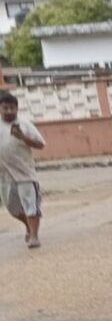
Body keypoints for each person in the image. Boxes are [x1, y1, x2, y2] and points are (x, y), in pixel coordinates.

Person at [0, 90, 46, 248]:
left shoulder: (24, 124)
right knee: (12, 208)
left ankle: (34, 236)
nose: (9, 111)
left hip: (25, 173)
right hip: (4, 175)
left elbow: (40, 144)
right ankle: (28, 225)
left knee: (30, 205)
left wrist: (23, 137)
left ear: (17, 109)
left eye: (12, 108)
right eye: (5, 108)